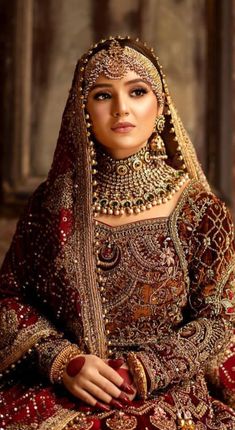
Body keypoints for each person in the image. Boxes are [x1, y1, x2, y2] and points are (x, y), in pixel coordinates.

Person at [0, 36, 235, 430]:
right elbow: (9, 300)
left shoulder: (198, 209)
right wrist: (64, 362)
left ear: (160, 107)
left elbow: (221, 319)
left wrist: (145, 369)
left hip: (166, 392)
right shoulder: (51, 206)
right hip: (65, 388)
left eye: (137, 92)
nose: (121, 109)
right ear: (82, 111)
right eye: (102, 95)